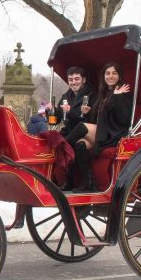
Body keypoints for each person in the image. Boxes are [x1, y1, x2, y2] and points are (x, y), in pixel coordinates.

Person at [69, 62, 132, 192]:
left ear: (119, 76)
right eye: (107, 73)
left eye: (114, 73)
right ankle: (88, 182)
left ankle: (61, 148)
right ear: (103, 76)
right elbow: (99, 119)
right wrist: (88, 113)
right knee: (81, 144)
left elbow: (123, 120)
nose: (111, 76)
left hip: (114, 134)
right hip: (102, 131)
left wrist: (118, 97)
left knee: (81, 128)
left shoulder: (123, 91)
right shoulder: (103, 93)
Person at [54, 66, 97, 144]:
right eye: (70, 80)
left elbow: (92, 121)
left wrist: (70, 112)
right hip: (68, 132)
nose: (73, 82)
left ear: (83, 80)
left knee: (80, 145)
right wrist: (50, 111)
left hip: (86, 134)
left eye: (77, 79)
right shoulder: (65, 97)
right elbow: (55, 121)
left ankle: (64, 146)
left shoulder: (92, 96)